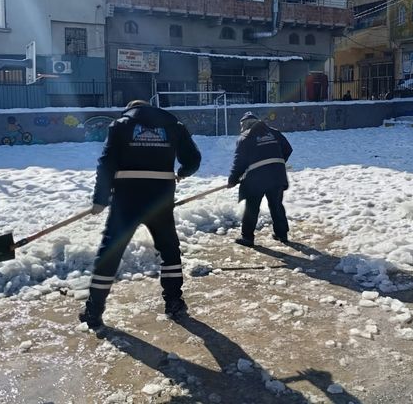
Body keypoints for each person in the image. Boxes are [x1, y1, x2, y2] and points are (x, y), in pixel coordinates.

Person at [80, 100, 202, 328]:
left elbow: (106, 163)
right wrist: (183, 173)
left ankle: (93, 311)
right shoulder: (174, 125)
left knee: (110, 252)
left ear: (129, 109)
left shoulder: (121, 124)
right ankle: (174, 302)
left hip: (127, 199)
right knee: (169, 250)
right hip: (161, 199)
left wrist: (100, 199)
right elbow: (193, 159)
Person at [228, 112, 293, 247]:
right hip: (277, 175)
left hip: (256, 179)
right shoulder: (274, 133)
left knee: (252, 207)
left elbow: (239, 162)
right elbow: (288, 149)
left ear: (244, 125)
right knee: (276, 205)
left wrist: (233, 179)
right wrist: (277, 162)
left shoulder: (245, 137)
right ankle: (282, 234)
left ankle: (247, 237)